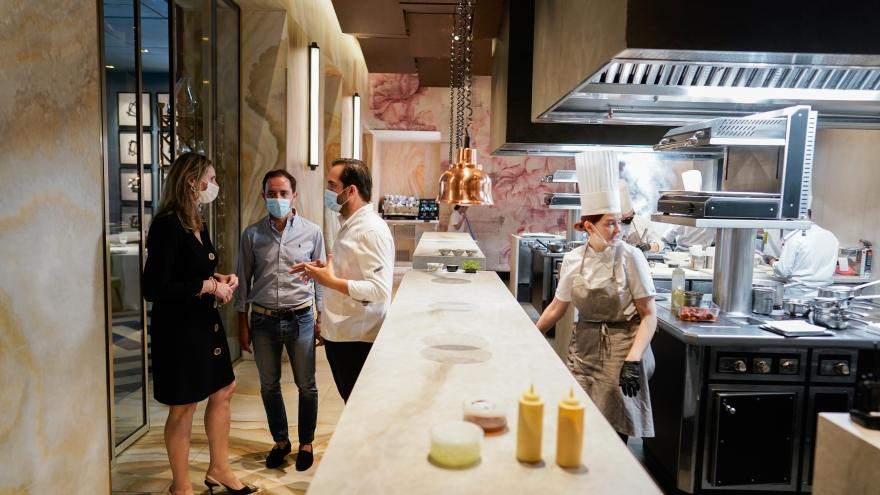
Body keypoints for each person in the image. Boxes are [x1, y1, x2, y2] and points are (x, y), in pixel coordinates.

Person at [142, 153, 256, 495]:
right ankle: (181, 487)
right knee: (184, 405)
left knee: (224, 389)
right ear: (192, 181)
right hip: (177, 330)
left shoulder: (195, 221)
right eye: (211, 178)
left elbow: (190, 271)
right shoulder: (166, 224)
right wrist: (208, 286)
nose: (214, 185)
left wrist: (218, 277)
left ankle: (219, 468)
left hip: (203, 323)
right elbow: (154, 287)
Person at [536, 150, 657, 443]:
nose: (617, 230)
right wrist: (530, 336)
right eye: (609, 223)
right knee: (579, 414)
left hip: (623, 346)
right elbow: (557, 307)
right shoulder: (573, 259)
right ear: (588, 226)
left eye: (619, 222)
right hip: (585, 345)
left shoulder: (632, 256)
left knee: (614, 428)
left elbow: (649, 315)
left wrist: (632, 359)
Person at [234, 169, 325, 471]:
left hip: (301, 318)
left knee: (306, 385)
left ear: (294, 196)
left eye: (283, 193)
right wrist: (241, 322)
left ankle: (307, 443)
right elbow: (243, 281)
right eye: (271, 193)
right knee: (268, 385)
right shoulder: (252, 235)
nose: (277, 199)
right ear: (263, 196)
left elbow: (320, 279)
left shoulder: (312, 232)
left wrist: (321, 316)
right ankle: (281, 441)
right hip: (262, 321)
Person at [293, 158, 394, 402]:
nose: (326, 192)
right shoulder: (349, 224)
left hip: (357, 337)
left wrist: (328, 281)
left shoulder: (370, 230)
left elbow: (379, 289)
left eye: (331, 185)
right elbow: (355, 272)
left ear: (351, 191)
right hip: (341, 332)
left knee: (359, 406)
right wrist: (324, 270)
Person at [763, 216, 839, 297]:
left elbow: (783, 271)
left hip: (798, 294)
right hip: (824, 295)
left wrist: (772, 261)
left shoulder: (795, 238)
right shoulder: (831, 236)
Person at [618, 179, 664, 252]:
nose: (629, 218)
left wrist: (649, 246)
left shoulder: (642, 222)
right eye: (626, 218)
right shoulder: (612, 227)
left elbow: (660, 244)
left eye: (631, 215)